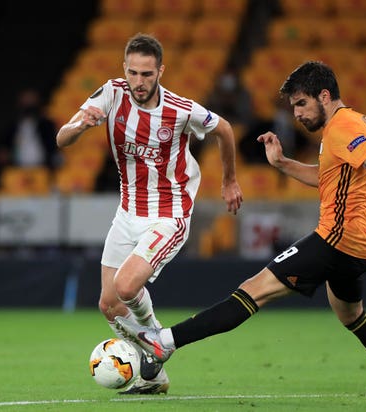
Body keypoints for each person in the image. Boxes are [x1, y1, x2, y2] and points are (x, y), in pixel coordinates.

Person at [115, 61, 366, 400]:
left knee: (252, 290)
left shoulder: (344, 126)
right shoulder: (346, 128)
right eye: (294, 106)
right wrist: (282, 163)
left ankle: (163, 342)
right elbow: (325, 178)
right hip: (362, 248)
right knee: (352, 315)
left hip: (336, 239)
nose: (297, 114)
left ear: (325, 96)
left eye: (302, 103)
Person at [56, 33, 243, 394]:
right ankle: (155, 372)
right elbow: (62, 138)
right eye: (132, 73)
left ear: (160, 71)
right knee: (108, 304)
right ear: (123, 69)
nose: (138, 82)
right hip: (127, 212)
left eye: (146, 74)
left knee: (127, 287)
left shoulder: (180, 109)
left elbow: (225, 129)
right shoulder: (111, 93)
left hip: (169, 213)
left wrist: (230, 181)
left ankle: (156, 344)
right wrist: (82, 124)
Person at [0, 88, 60, 172]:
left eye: (32, 102)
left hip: (43, 171)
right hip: (17, 170)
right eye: (26, 102)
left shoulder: (47, 125)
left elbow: (55, 146)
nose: (29, 105)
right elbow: (2, 146)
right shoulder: (13, 126)